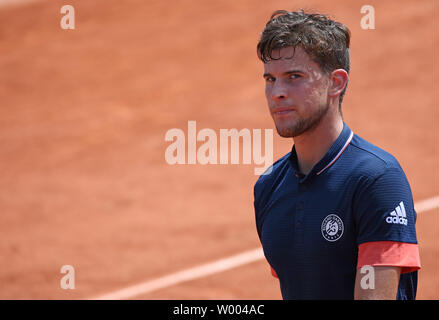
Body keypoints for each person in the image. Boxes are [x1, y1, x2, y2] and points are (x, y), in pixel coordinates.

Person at [253, 10, 421, 300]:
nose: (277, 92)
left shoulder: (376, 179)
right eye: (270, 79)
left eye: (294, 76)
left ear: (336, 83)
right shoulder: (268, 187)